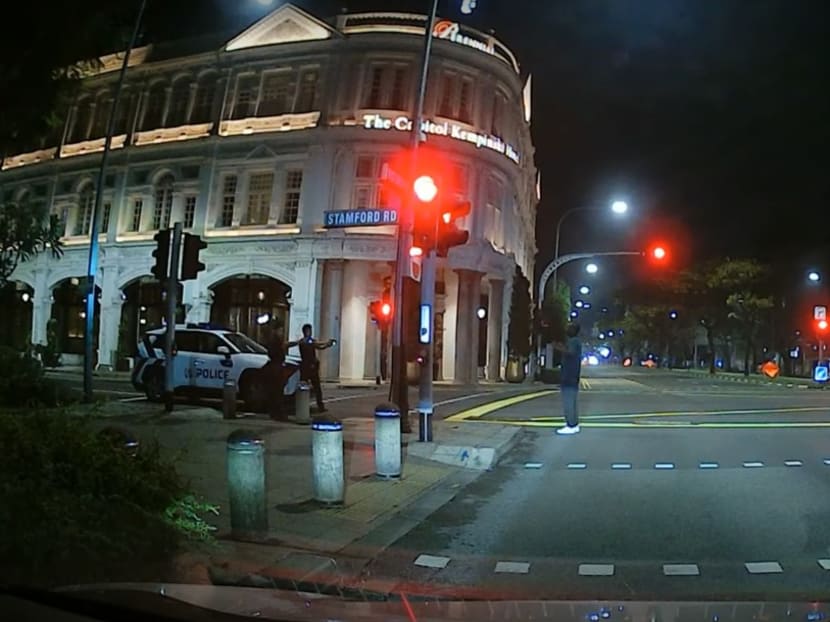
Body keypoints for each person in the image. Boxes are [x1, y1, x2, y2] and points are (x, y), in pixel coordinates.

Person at [293, 323, 334, 413]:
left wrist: (327, 345)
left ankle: (319, 406)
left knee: (316, 388)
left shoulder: (309, 341)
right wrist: (326, 342)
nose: (310, 332)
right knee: (305, 387)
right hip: (306, 367)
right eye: (309, 331)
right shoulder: (304, 341)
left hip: (311, 367)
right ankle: (302, 406)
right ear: (305, 332)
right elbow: (317, 344)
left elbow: (319, 346)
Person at [554, 323, 582, 435]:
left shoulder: (573, 341)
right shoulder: (575, 341)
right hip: (572, 376)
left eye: (569, 328)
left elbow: (570, 352)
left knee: (568, 403)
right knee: (572, 402)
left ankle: (570, 425)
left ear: (573, 330)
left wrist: (559, 348)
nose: (567, 329)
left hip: (569, 376)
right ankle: (574, 424)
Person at [264, 321, 288, 420]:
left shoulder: (277, 340)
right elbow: (273, 353)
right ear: (276, 330)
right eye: (280, 330)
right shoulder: (274, 341)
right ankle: (277, 413)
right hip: (275, 367)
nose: (282, 332)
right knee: (276, 391)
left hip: (277, 366)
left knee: (277, 391)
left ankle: (276, 412)